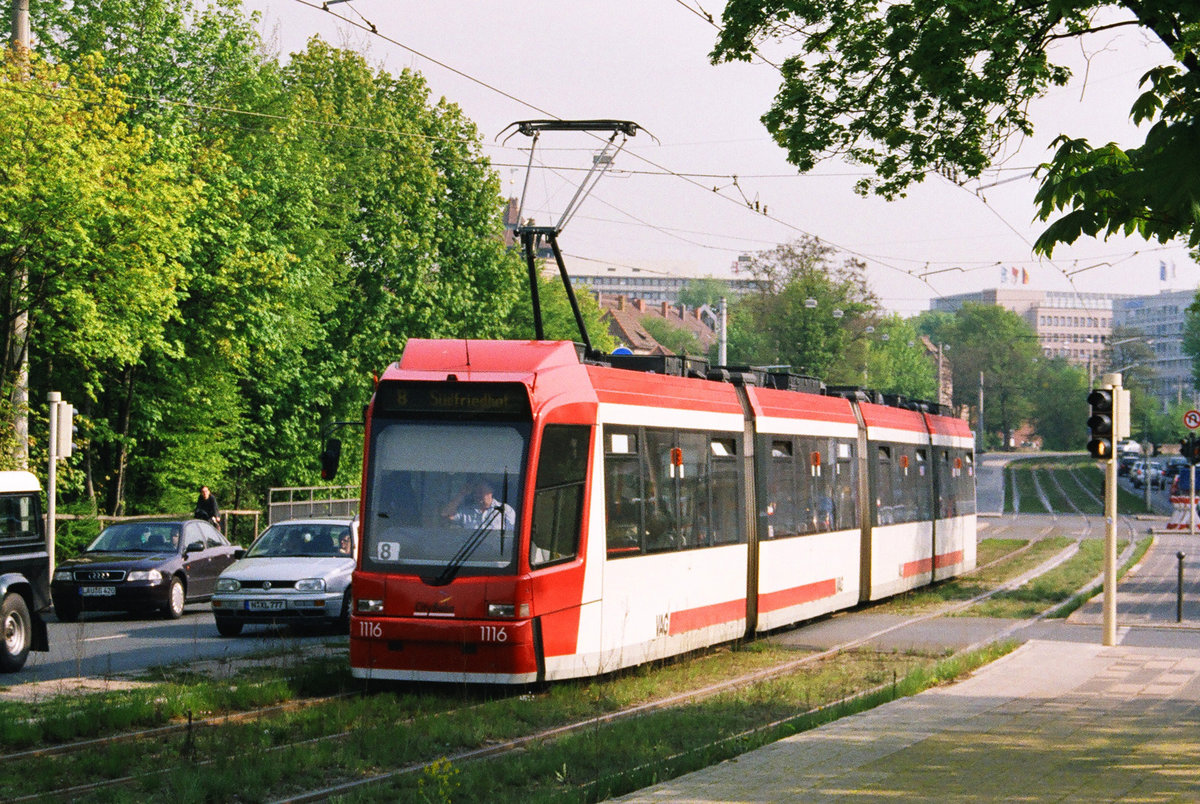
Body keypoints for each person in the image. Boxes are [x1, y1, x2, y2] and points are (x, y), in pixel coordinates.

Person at [442, 480, 516, 530]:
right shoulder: (466, 511)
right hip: (471, 551)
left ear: (491, 492)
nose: (478, 495)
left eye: (481, 492)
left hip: (496, 552)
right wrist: (461, 494)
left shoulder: (505, 510)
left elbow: (512, 531)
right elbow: (446, 514)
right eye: (475, 492)